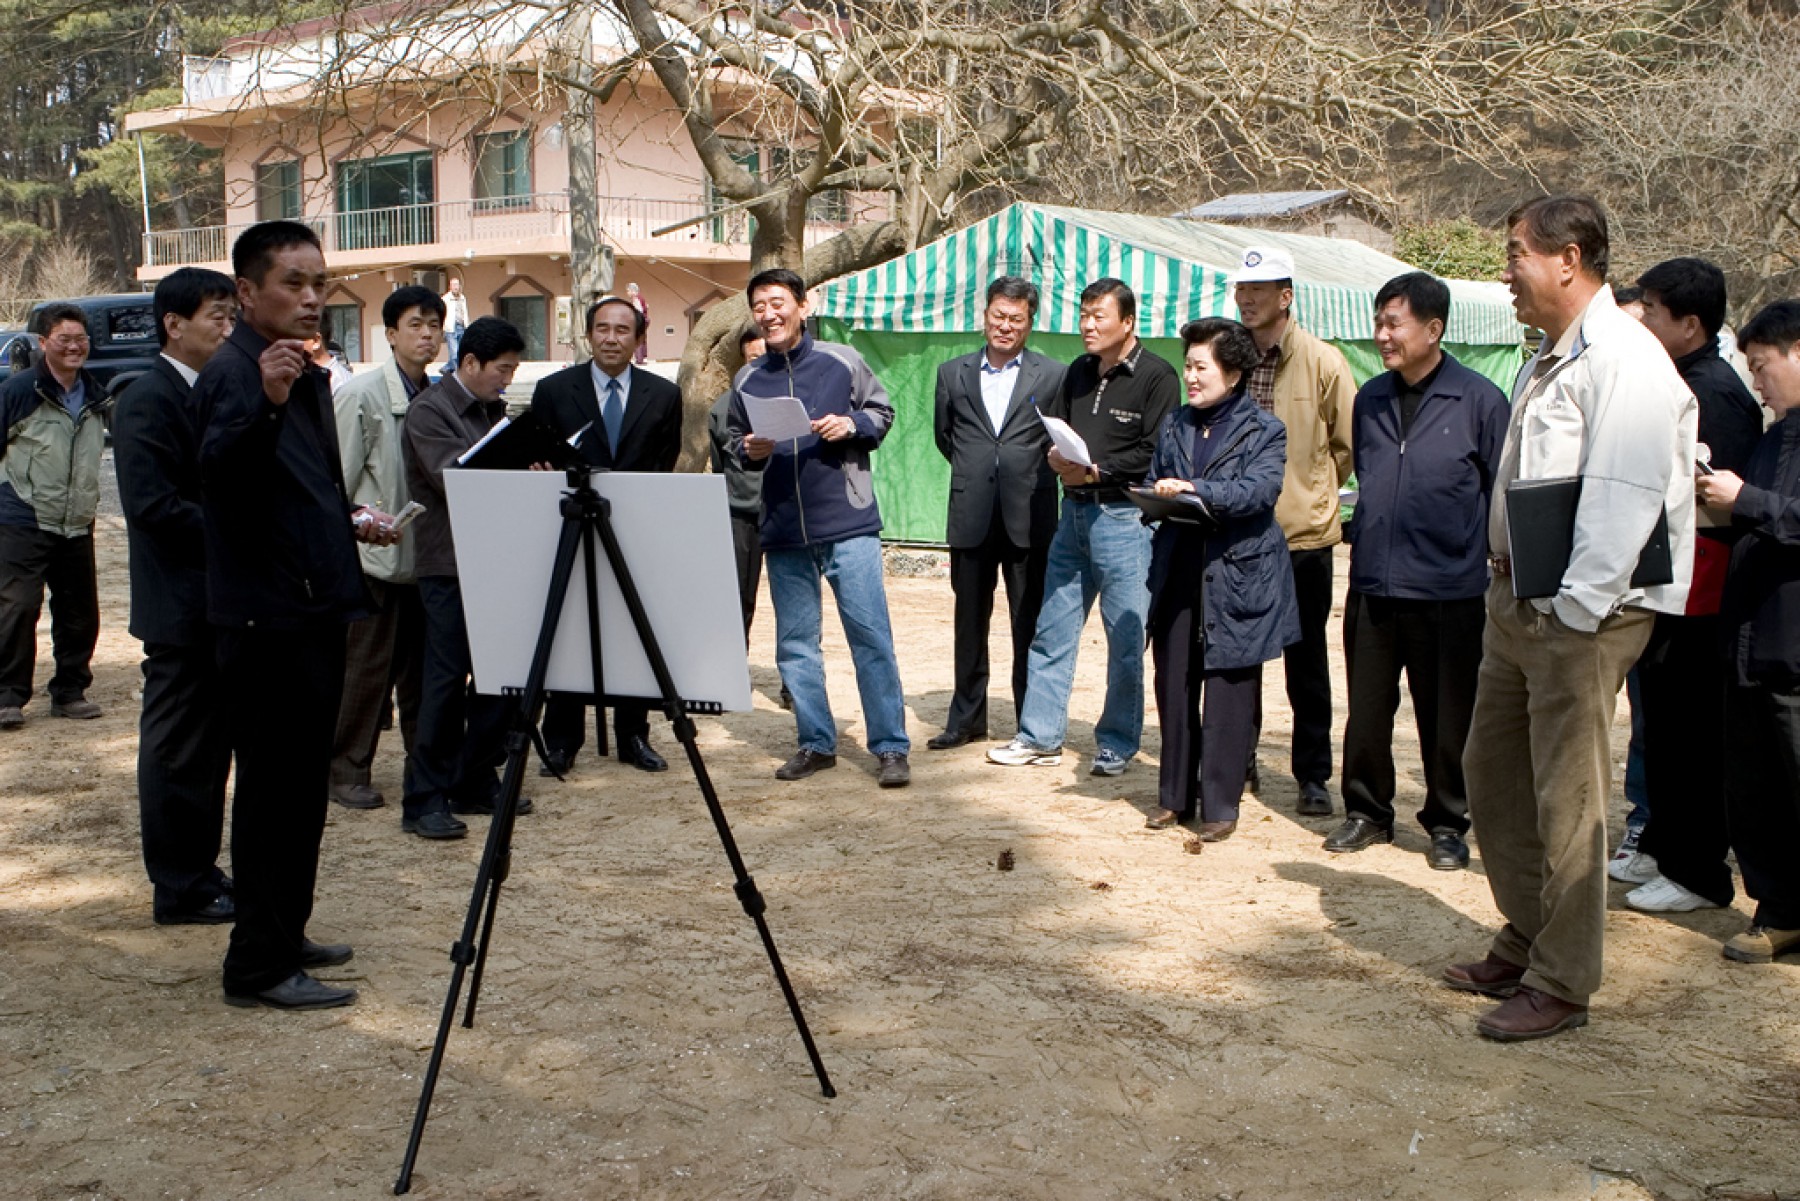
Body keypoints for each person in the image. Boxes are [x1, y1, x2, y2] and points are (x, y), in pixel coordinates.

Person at [1445, 195, 1696, 1042]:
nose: (1506, 271)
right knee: (1495, 774)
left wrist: (1573, 613)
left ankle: (1563, 977)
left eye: (1516, 253)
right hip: (1518, 602)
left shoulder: (1625, 360)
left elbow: (1623, 503)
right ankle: (1528, 933)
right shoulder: (1554, 353)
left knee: (1567, 797)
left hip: (1579, 614)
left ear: (1570, 258)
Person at [195, 219, 399, 1010]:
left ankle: (283, 929)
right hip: (266, 620)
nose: (312, 297)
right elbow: (216, 478)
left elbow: (299, 485)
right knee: (274, 793)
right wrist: (269, 402)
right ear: (247, 293)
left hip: (314, 608)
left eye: (320, 281)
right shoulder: (239, 372)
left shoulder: (302, 371)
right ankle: (257, 966)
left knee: (298, 791)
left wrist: (351, 515)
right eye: (293, 282)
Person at [1324, 273, 1508, 871]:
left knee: (1447, 713)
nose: (1382, 335)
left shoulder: (1479, 400)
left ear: (1433, 329)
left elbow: (1501, 490)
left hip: (1449, 589)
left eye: (1393, 324)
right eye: (1378, 323)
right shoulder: (1370, 399)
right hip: (1374, 583)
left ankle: (1448, 822)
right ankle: (1367, 812)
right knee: (1369, 708)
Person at [1617, 258, 1765, 913]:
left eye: (1652, 309)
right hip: (1667, 586)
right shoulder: (1679, 377)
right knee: (1666, 727)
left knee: (1690, 734)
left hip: (1699, 594)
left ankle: (1699, 871)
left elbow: (1709, 500)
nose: (1643, 319)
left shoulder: (1718, 395)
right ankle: (1667, 847)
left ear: (1691, 323)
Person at [725, 267, 912, 787]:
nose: (769, 314)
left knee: (870, 637)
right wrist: (749, 448)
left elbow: (883, 410)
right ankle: (815, 741)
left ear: (802, 307)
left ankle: (891, 747)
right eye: (760, 305)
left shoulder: (841, 360)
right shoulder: (747, 378)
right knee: (795, 643)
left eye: (778, 302)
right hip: (783, 529)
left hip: (847, 523)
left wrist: (850, 424)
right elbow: (735, 439)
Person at [987, 278, 1179, 776]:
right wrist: (1058, 459)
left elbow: (1155, 450)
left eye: (1099, 316)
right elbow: (1060, 429)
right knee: (1052, 629)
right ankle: (1040, 735)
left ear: (1128, 322)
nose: (1088, 325)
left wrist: (1097, 469)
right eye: (1083, 315)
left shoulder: (1158, 376)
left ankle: (1116, 741)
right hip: (1072, 514)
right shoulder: (1077, 371)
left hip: (1125, 519)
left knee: (1124, 637)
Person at [112, 267, 238, 924]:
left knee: (209, 751)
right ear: (174, 323)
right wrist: (241, 528)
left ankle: (200, 868)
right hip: (180, 605)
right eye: (216, 315)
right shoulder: (147, 399)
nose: (227, 327)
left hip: (221, 600)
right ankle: (178, 884)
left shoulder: (211, 390)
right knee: (178, 750)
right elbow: (156, 508)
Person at [1142, 318, 1297, 842]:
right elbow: (1153, 479)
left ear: (1232, 373)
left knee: (1229, 688)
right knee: (1174, 681)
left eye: (1199, 366)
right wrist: (1155, 495)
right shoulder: (1174, 424)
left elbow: (1259, 491)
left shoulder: (1264, 430)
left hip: (1237, 575)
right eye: (1187, 365)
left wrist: (1196, 489)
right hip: (1179, 567)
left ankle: (1221, 804)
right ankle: (1172, 796)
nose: (1189, 375)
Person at [532, 294, 683, 776]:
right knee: (569, 626)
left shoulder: (663, 395)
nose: (611, 337)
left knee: (632, 628)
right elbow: (541, 460)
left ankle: (633, 734)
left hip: (634, 530)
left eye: (622, 329)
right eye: (602, 328)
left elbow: (663, 465)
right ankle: (561, 740)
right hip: (569, 526)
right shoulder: (554, 390)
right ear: (588, 334)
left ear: (639, 339)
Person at [1232, 246, 1356, 817]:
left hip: (1303, 538)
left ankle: (1312, 776)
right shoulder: (1227, 358)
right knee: (1239, 656)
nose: (1248, 299)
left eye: (1260, 290)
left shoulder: (1323, 362)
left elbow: (1348, 448)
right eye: (1242, 289)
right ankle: (1240, 759)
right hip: (1239, 535)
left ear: (1286, 296)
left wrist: (1312, 492)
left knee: (1307, 661)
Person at [402, 317, 536, 839]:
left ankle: (475, 779)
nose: (507, 380)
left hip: (498, 562)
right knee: (443, 681)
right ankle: (424, 798)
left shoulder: (494, 411)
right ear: (471, 363)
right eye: (502, 370)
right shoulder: (428, 412)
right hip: (450, 565)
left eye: (514, 371)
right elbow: (452, 478)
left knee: (500, 678)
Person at [1695, 299, 1800, 964]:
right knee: (1756, 788)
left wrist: (1748, 502)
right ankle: (1780, 907)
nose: (1756, 382)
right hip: (1748, 644)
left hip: (1795, 649)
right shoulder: (1770, 437)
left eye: (1762, 367)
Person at [930, 276, 1065, 749]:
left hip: (1030, 515)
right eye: (998, 316)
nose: (1005, 326)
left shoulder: (1053, 375)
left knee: (1029, 622)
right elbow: (945, 437)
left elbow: (1057, 439)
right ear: (984, 314)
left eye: (1016, 319)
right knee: (970, 622)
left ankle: (1032, 720)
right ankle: (966, 718)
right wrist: (980, 471)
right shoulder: (953, 373)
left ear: (1030, 323)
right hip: (970, 515)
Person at [327, 284, 444, 811]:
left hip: (429, 560)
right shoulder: (361, 395)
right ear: (391, 334)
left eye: (434, 326)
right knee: (365, 674)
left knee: (424, 675)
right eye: (415, 325)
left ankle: (426, 768)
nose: (426, 335)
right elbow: (337, 484)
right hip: (373, 560)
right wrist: (359, 525)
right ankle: (346, 769)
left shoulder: (438, 394)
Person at [0, 303, 106, 730]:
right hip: (22, 515)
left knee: (80, 612)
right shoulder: (19, 391)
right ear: (44, 343)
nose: (75, 346)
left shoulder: (99, 393)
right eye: (65, 338)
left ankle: (69, 691)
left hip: (77, 519)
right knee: (18, 607)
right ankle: (8, 696)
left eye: (81, 338)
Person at [708, 325, 769, 637]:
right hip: (742, 514)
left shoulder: (795, 399)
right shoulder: (722, 408)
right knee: (739, 595)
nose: (758, 365)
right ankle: (734, 667)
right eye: (752, 359)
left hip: (789, 511)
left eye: (766, 356)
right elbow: (721, 465)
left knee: (796, 598)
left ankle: (795, 680)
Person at [441, 277, 469, 370]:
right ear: (450, 287)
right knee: (454, 352)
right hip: (451, 328)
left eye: (457, 284)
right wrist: (443, 326)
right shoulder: (445, 299)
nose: (456, 287)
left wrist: (467, 324)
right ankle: (457, 373)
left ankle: (446, 369)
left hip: (461, 326)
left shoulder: (462, 297)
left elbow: (465, 312)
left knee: (461, 351)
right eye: (454, 285)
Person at [626, 282, 650, 365]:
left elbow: (639, 311)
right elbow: (646, 306)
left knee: (637, 338)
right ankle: (644, 357)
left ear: (633, 291)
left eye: (628, 290)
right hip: (645, 319)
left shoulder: (636, 298)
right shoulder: (641, 298)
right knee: (642, 338)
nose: (627, 293)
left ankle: (639, 359)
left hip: (640, 320)